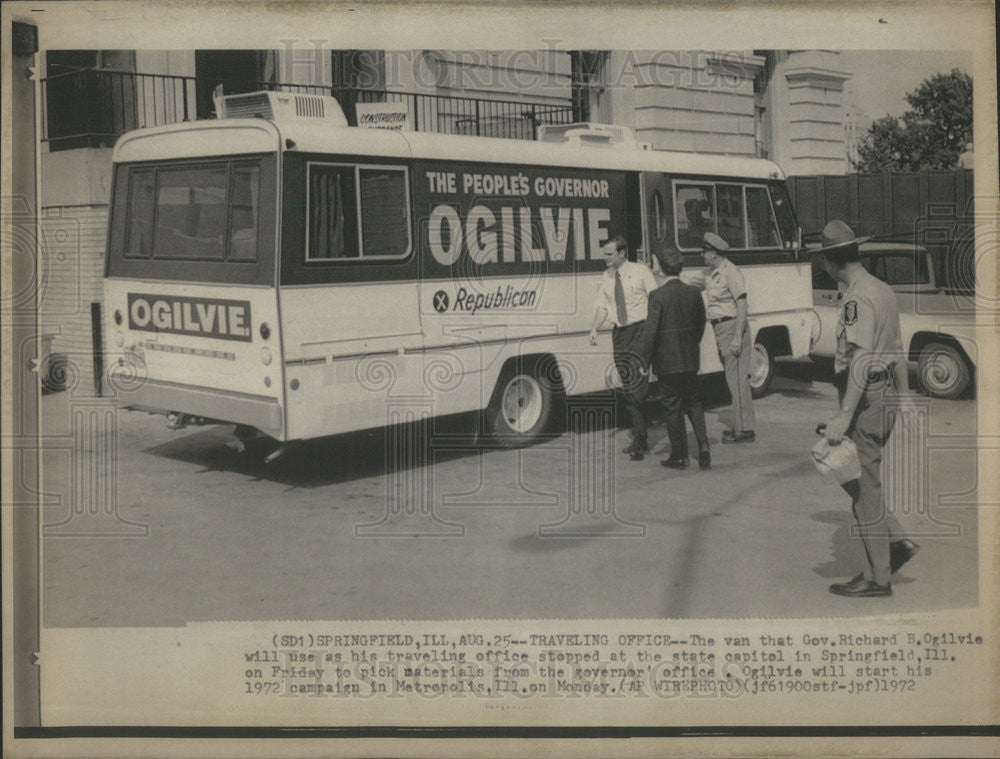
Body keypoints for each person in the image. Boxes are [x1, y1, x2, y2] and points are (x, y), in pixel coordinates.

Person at [818, 220, 920, 598]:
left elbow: (859, 359)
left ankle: (878, 576)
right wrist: (905, 396)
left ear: (831, 262)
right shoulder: (882, 289)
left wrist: (845, 413)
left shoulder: (855, 299)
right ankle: (894, 541)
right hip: (887, 392)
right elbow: (896, 348)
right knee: (861, 479)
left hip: (864, 398)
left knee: (862, 486)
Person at [640, 250, 711, 470]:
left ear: (661, 268)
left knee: (672, 408)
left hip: (666, 362)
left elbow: (650, 332)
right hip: (690, 359)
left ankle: (679, 456)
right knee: (694, 403)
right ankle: (704, 445)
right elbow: (700, 324)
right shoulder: (693, 293)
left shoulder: (657, 296)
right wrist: (690, 346)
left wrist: (644, 361)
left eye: (654, 265)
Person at [589, 236, 658, 461]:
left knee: (637, 387)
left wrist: (653, 333)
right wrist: (594, 329)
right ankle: (640, 436)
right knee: (628, 387)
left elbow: (655, 300)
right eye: (604, 254)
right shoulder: (606, 277)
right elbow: (602, 307)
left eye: (609, 254)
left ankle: (640, 441)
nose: (605, 259)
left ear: (622, 253)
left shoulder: (641, 272)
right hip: (619, 335)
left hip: (639, 331)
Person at [702, 232, 755, 443]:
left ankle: (744, 430)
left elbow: (742, 304)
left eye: (705, 251)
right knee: (733, 379)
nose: (702, 255)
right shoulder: (710, 273)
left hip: (732, 326)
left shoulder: (731, 272)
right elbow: (688, 282)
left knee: (738, 380)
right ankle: (742, 425)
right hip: (720, 329)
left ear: (714, 253)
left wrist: (737, 337)